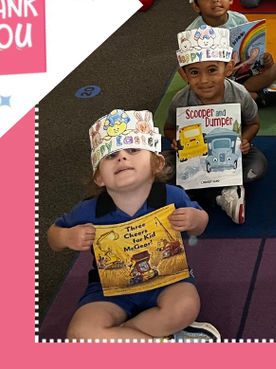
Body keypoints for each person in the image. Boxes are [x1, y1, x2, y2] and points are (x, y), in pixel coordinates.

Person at [47, 109, 218, 341]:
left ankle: (121, 338)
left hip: (168, 279)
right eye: (110, 156)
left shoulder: (171, 196)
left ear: (157, 163)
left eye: (133, 150)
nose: (121, 158)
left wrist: (195, 219)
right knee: (79, 334)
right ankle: (163, 337)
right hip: (110, 289)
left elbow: (201, 224)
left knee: (185, 307)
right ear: (99, 178)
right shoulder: (91, 209)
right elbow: (53, 236)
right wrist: (67, 237)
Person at [162, 25, 268, 224]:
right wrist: (174, 140)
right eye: (194, 72)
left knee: (257, 166)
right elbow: (168, 128)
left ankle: (196, 194)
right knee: (158, 166)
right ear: (183, 75)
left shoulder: (239, 94)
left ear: (228, 68)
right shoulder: (180, 100)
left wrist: (245, 140)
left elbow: (253, 123)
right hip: (192, 157)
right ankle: (220, 193)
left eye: (212, 70)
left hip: (232, 154)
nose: (204, 80)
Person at [183, 0, 276, 107]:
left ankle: (245, 96)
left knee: (273, 69)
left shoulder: (239, 18)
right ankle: (263, 97)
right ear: (196, 6)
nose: (215, 0)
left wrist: (264, 57)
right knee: (204, 92)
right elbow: (191, 71)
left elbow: (251, 46)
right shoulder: (192, 33)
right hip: (216, 80)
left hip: (244, 72)